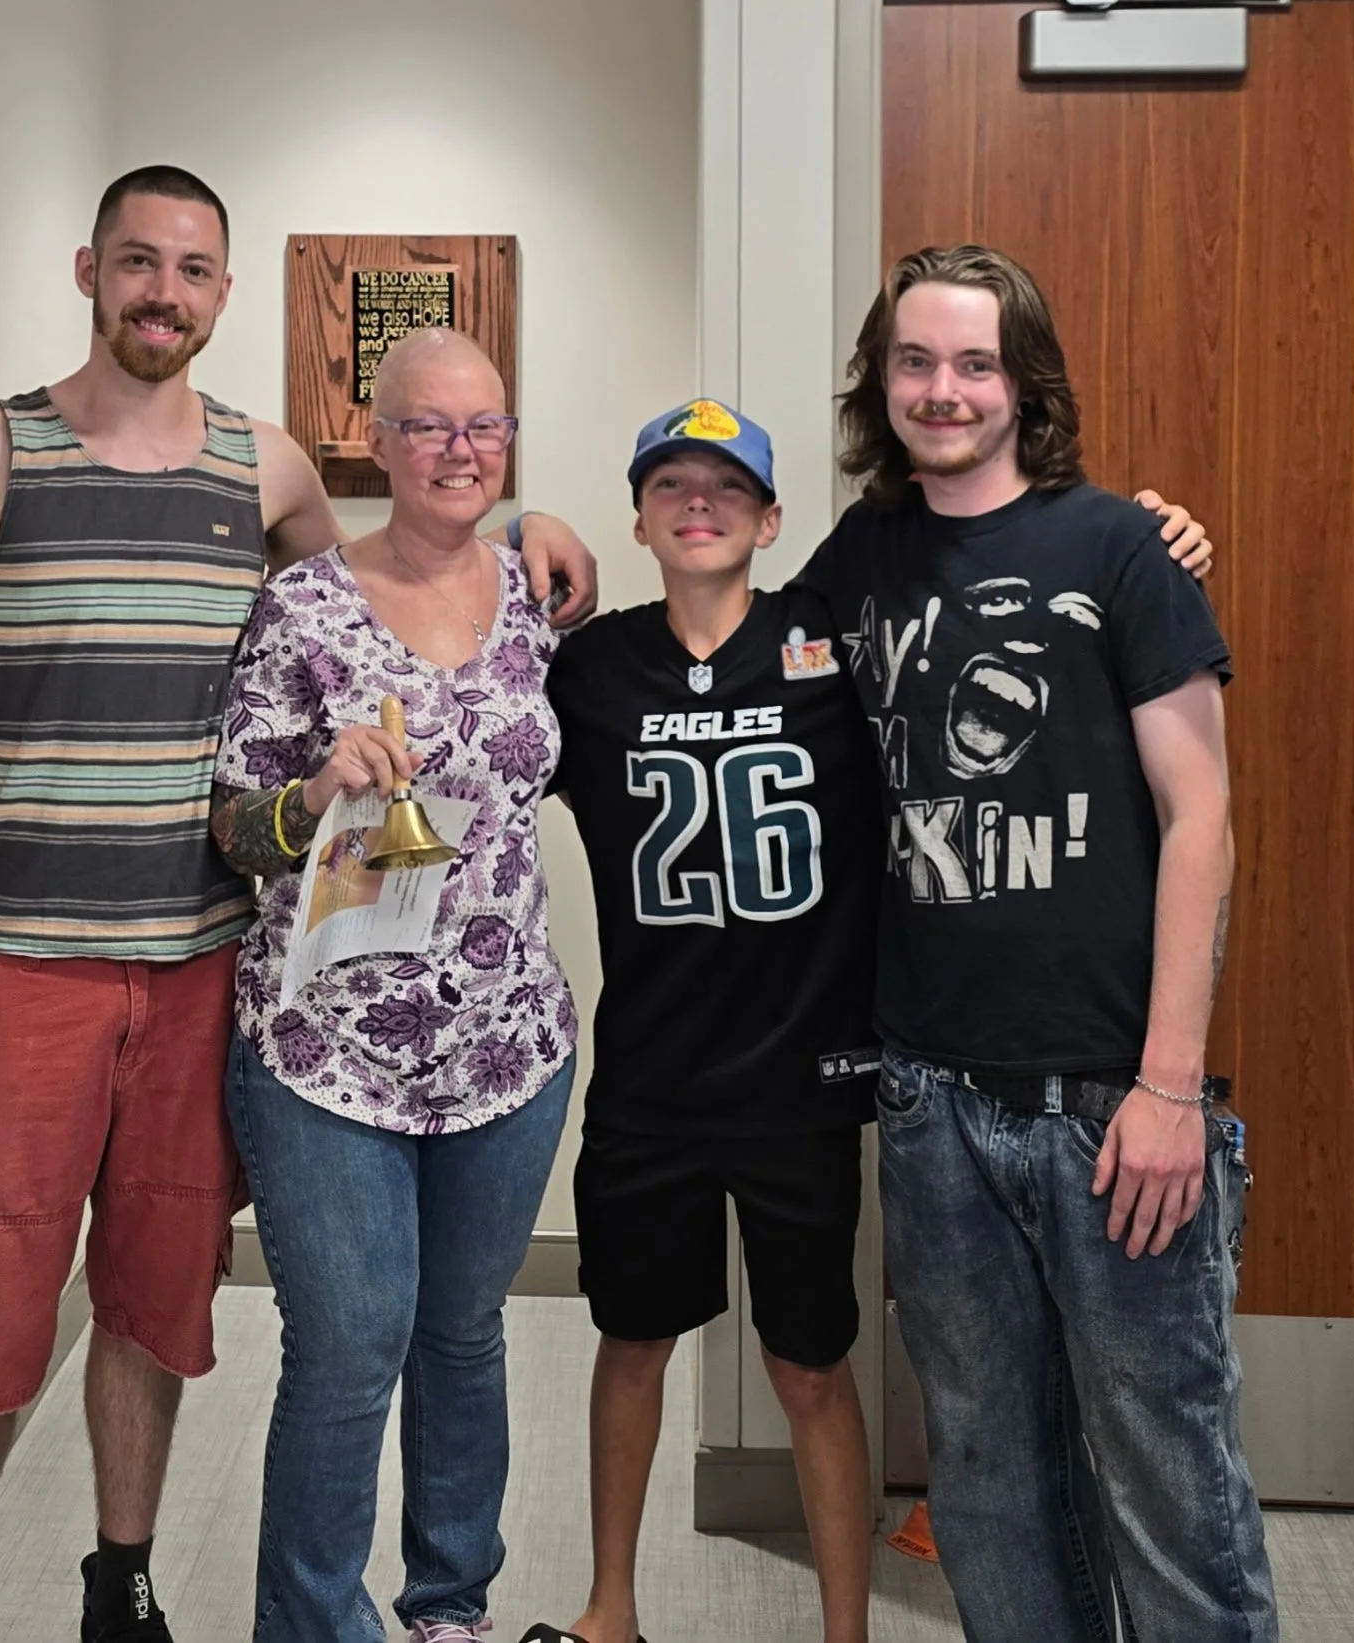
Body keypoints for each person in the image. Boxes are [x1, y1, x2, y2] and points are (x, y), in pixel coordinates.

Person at [0, 169, 594, 1643]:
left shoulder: (267, 473)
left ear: (221, 291)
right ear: (90, 269)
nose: (166, 291)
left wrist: (538, 518)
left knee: (163, 1300)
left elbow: (434, 541)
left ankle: (133, 1584)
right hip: (61, 964)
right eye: (140, 262)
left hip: (241, 971)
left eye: (194, 269)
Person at [795, 244, 1276, 1640]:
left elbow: (1201, 817)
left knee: (1168, 1483)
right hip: (931, 1098)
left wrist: (1168, 1086)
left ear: (1024, 385)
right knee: (988, 1482)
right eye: (914, 362)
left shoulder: (1120, 548)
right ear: (880, 381)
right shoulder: (859, 558)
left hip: (1111, 1106)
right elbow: (727, 636)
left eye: (975, 363)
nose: (942, 390)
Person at [209, 328, 578, 1643]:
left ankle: (448, 1609)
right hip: (328, 1053)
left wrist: (544, 526)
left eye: (484, 426)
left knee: (464, 1332)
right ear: (377, 441)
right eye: (429, 425)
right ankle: (313, 1624)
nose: (459, 450)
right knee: (351, 1344)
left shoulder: (539, 594)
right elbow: (233, 827)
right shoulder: (303, 606)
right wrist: (314, 792)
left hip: (507, 1044)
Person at [520, 401, 884, 1643]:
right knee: (630, 1341)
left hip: (799, 1078)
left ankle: (846, 1632)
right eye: (669, 484)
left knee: (809, 1363)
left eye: (725, 487)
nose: (697, 503)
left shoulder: (829, 643)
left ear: (768, 521)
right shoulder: (591, 669)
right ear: (637, 520)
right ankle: (609, 1611)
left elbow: (947, 562)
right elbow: (458, 645)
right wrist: (522, 526)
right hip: (652, 1077)